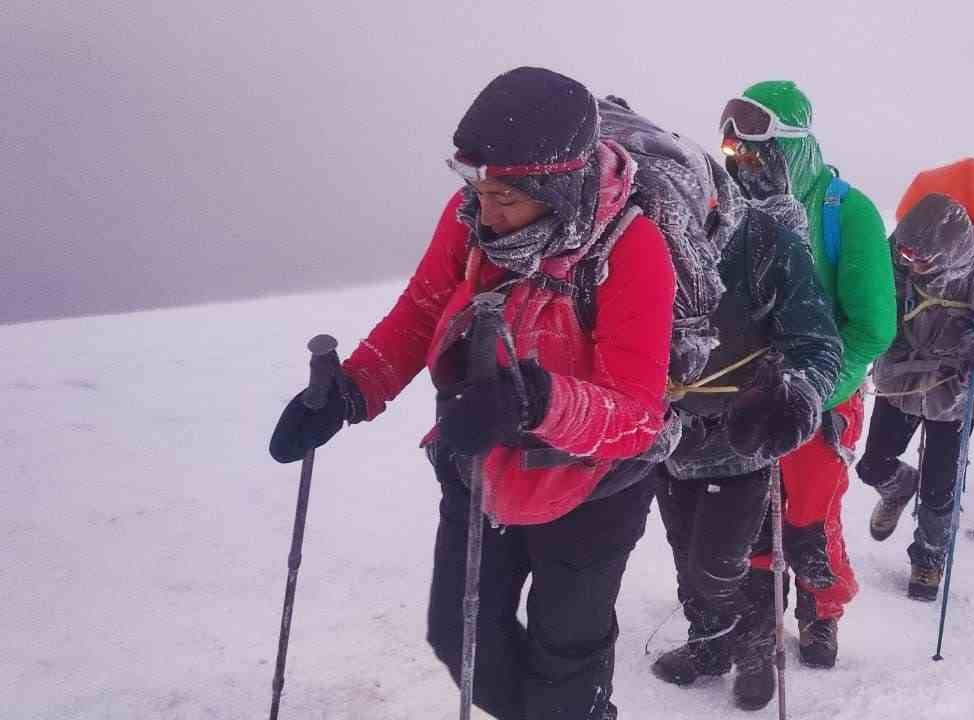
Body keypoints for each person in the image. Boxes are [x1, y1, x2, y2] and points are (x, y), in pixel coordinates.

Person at [268, 67, 677, 719]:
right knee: (461, 645)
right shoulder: (471, 220)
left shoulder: (632, 250)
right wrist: (351, 390)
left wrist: (535, 402)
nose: (485, 211)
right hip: (477, 468)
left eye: (507, 198)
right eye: (477, 189)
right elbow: (420, 315)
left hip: (593, 494)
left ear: (561, 184)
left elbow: (635, 418)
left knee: (563, 671)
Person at [647, 135, 843, 710]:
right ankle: (710, 643)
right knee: (685, 551)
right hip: (666, 430)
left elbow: (815, 339)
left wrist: (799, 392)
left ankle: (756, 644)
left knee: (724, 562)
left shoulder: (765, 240)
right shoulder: (634, 235)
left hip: (745, 430)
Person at [718, 80, 897, 670]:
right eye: (735, 151)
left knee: (809, 516)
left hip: (823, 397)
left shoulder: (846, 211)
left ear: (792, 145)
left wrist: (816, 390)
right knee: (751, 513)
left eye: (757, 149)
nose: (746, 162)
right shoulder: (734, 206)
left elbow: (872, 326)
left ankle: (822, 613)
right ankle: (760, 620)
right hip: (746, 393)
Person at [855, 192, 974, 601]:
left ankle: (928, 561)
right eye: (906, 256)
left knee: (940, 484)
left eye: (922, 259)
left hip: (957, 389)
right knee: (873, 464)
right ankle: (896, 487)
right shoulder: (897, 255)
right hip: (903, 379)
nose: (911, 265)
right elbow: (878, 311)